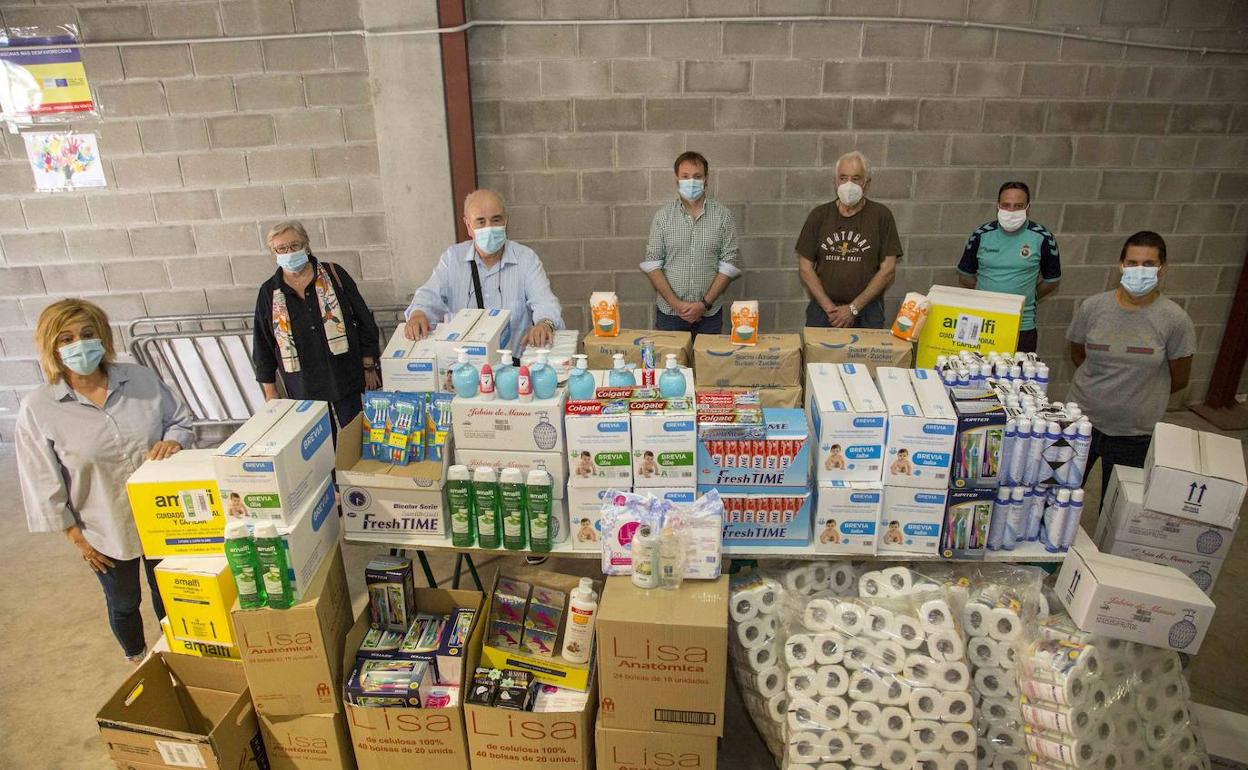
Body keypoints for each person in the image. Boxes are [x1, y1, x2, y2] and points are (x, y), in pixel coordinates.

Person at [16, 299, 194, 661]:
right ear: (51, 347)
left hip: (164, 516)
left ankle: (182, 656)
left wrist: (174, 439)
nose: (79, 344)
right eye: (65, 338)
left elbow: (180, 419)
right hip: (102, 525)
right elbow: (41, 479)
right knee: (125, 601)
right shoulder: (39, 408)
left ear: (102, 336)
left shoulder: (140, 379)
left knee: (172, 593)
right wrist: (76, 537)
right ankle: (138, 659)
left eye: (87, 333)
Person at [1067, 231, 1196, 503]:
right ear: (1121, 265)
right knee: (1060, 498)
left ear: (1163, 269)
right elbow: (1078, 354)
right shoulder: (1093, 307)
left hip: (1134, 434)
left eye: (1148, 264)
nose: (1140, 270)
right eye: (1132, 262)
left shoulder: (1175, 320)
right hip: (1080, 423)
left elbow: (1180, 378)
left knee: (1116, 509)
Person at [253, 220, 380, 428]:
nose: (289, 252)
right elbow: (263, 344)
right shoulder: (269, 292)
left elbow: (364, 320)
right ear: (273, 253)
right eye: (281, 248)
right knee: (320, 447)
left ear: (306, 245)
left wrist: (369, 366)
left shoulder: (334, 275)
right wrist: (270, 391)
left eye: (295, 245)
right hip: (303, 387)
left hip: (345, 377)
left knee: (356, 436)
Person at [404, 189, 564, 350]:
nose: (489, 227)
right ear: (468, 226)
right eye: (481, 221)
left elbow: (545, 302)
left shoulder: (526, 259)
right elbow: (428, 296)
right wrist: (418, 314)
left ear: (506, 221)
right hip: (465, 367)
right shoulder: (452, 259)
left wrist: (545, 323)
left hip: (514, 367)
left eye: (496, 220)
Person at [639, 151, 741, 335]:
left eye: (697, 176)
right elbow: (652, 263)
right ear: (676, 180)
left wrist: (703, 305)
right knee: (671, 364)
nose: (691, 181)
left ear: (706, 179)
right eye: (685, 177)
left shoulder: (723, 216)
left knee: (707, 364)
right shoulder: (663, 217)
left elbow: (729, 264)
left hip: (709, 315)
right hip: (670, 314)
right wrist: (676, 304)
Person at [797, 151, 901, 329]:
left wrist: (853, 308)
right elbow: (805, 268)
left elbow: (888, 270)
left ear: (866, 183)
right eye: (843, 178)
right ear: (835, 181)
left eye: (856, 178)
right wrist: (830, 309)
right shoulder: (819, 215)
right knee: (819, 358)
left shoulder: (881, 216)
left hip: (868, 312)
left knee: (864, 358)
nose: (848, 184)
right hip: (823, 313)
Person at [957, 181, 1061, 353]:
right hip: (982, 321)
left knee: (1019, 377)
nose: (1011, 211)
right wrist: (989, 296)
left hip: (1021, 325)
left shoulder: (1043, 237)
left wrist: (1026, 297)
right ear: (998, 206)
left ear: (1028, 208)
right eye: (1006, 205)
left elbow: (1051, 281)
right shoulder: (981, 235)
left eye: (1018, 206)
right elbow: (965, 275)